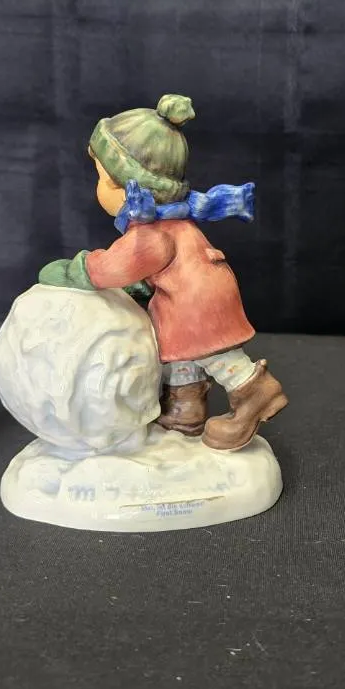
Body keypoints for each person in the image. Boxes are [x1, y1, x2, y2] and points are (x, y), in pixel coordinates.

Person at [37, 94, 287, 451]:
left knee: (218, 357)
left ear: (128, 187)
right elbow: (152, 270)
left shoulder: (150, 234)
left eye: (103, 180)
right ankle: (185, 410)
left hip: (194, 305)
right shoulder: (173, 222)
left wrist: (75, 270)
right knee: (179, 355)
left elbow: (113, 267)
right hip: (193, 296)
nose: (98, 189)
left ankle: (256, 392)